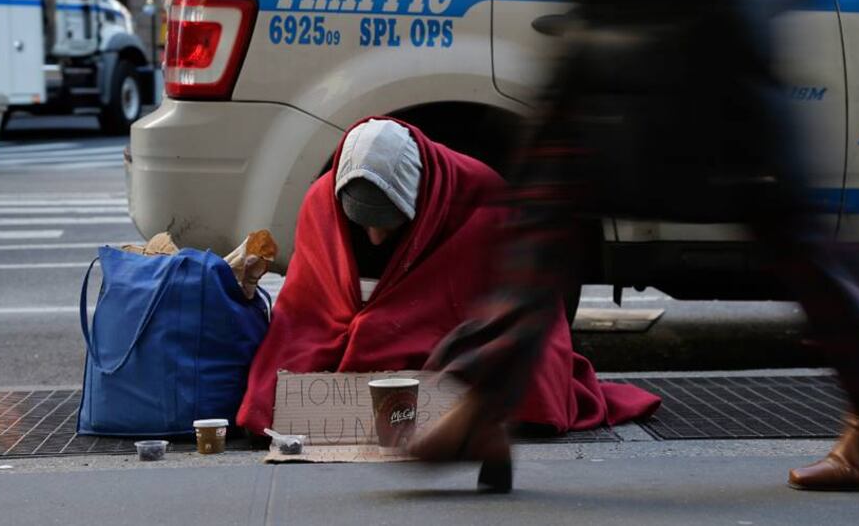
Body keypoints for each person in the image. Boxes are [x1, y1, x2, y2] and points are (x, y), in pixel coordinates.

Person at [402, 0, 859, 494]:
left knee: (544, 212)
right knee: (784, 228)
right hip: (714, 18)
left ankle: (480, 400)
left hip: (661, 29)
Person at [235, 118, 661, 447]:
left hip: (450, 349)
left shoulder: (481, 199)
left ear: (420, 199)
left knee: (511, 384)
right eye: (362, 226)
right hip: (392, 367)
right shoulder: (321, 204)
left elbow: (521, 312)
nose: (376, 239)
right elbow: (307, 314)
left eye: (390, 224)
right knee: (274, 394)